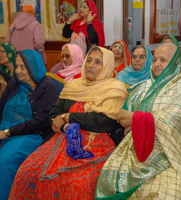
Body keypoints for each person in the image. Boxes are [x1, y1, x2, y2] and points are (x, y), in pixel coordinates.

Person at [9, 46, 128, 200]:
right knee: (27, 170)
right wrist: (65, 125)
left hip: (96, 145)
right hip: (60, 140)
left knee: (74, 183)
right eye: (89, 60)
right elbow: (53, 114)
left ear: (107, 66)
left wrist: (68, 117)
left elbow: (104, 122)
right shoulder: (74, 86)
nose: (91, 65)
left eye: (98, 62)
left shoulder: (115, 90)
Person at [95, 43, 181, 200]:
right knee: (110, 179)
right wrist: (141, 121)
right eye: (155, 59)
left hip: (173, 152)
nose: (157, 64)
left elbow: (175, 117)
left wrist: (136, 120)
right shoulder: (144, 87)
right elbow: (121, 116)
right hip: (137, 149)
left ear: (175, 62)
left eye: (163, 60)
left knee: (173, 193)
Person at [0, 49, 58, 199]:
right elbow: (0, 109)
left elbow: (40, 122)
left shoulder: (46, 87)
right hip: (5, 132)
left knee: (4, 162)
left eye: (22, 67)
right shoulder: (14, 83)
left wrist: (7, 132)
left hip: (30, 136)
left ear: (34, 67)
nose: (17, 71)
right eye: (16, 66)